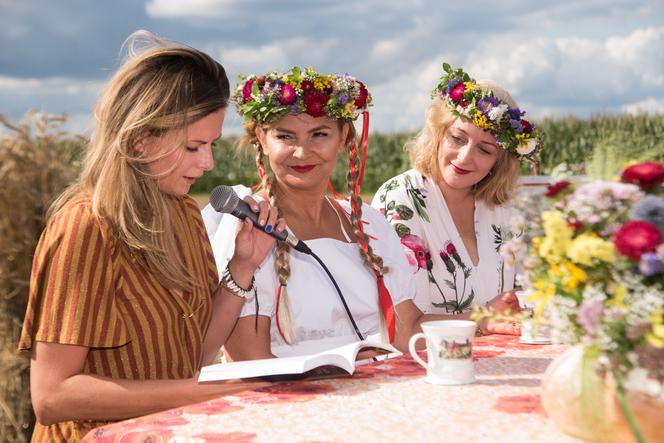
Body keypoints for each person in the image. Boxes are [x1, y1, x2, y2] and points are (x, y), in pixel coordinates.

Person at [18, 31, 279, 442]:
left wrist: (242, 268)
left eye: (211, 145)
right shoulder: (86, 228)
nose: (208, 162)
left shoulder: (185, 216)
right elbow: (53, 396)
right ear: (142, 140)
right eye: (194, 147)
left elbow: (192, 356)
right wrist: (219, 390)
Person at [203, 67, 460, 361]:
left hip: (372, 390)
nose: (302, 152)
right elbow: (249, 360)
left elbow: (407, 331)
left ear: (343, 138)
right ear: (262, 138)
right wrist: (344, 368)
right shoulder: (251, 224)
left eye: (319, 135)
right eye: (285, 136)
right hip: (293, 401)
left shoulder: (367, 224)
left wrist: (483, 321)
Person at [371, 62, 541, 335]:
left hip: (500, 364)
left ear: (499, 162)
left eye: (484, 150)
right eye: (458, 139)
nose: (465, 157)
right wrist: (483, 319)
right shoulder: (400, 200)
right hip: (420, 367)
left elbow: (529, 295)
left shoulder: (506, 209)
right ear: (439, 133)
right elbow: (401, 332)